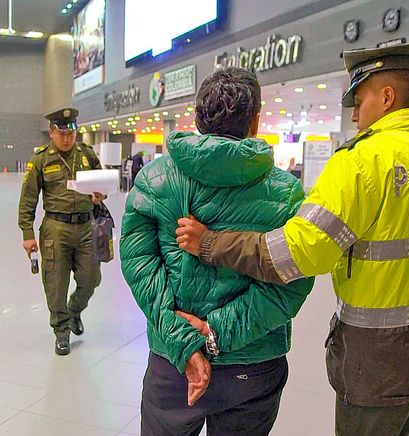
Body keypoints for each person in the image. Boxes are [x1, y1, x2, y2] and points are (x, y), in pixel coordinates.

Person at [176, 44, 409, 435]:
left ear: (387, 96)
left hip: (378, 363)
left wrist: (211, 243)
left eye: (359, 99)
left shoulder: (362, 162)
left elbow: (296, 254)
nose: (355, 113)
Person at [120, 67, 315, 435]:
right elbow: (291, 280)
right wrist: (216, 333)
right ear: (255, 121)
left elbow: (138, 263)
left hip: (172, 362)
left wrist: (182, 341)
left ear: (196, 119)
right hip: (253, 362)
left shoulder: (156, 179)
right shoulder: (285, 192)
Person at [18, 107, 104, 356]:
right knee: (55, 284)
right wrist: (27, 233)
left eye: (72, 132)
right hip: (56, 229)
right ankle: (62, 330)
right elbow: (28, 200)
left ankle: (74, 309)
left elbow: (102, 183)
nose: (67, 138)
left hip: (87, 226)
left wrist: (100, 194)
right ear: (52, 132)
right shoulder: (41, 160)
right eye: (62, 133)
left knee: (91, 279)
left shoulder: (87, 155)